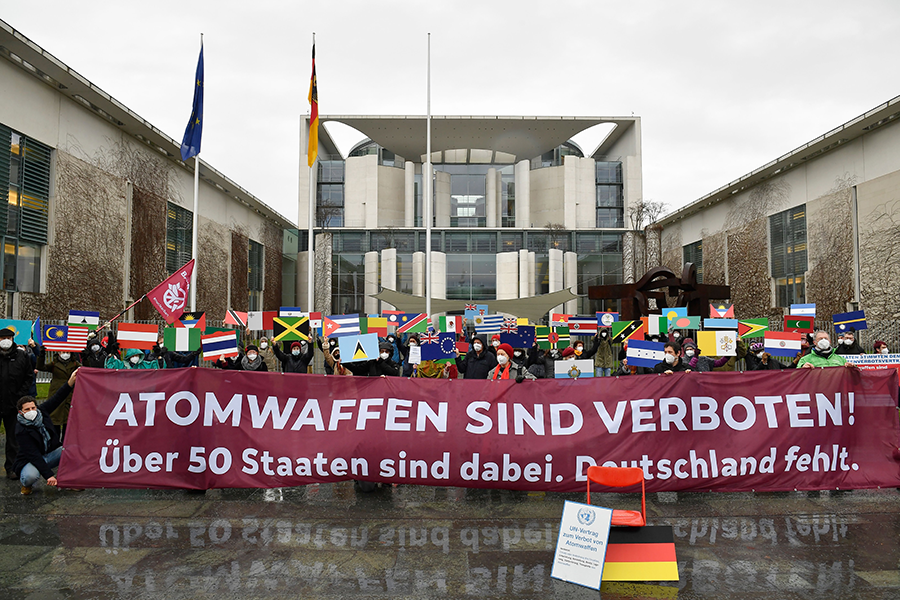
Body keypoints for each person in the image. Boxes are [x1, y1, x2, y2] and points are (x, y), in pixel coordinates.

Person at [14, 368, 79, 495]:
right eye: (27, 409)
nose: (31, 411)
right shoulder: (20, 430)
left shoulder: (42, 412)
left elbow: (57, 398)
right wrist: (49, 476)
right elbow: (33, 455)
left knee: (72, 449)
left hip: (50, 453)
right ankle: (26, 485)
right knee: (30, 476)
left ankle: (68, 481)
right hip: (31, 460)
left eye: (33, 407)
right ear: (20, 412)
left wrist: (70, 382)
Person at [0, 328, 33, 480]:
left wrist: (20, 396)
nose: (5, 341)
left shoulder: (21, 356)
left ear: (13, 339)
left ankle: (12, 468)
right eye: (2, 338)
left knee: (13, 438)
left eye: (8, 337)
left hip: (14, 403)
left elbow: (28, 376)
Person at [31, 338, 80, 440]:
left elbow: (85, 369)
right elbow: (41, 367)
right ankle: (54, 445)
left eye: (67, 352)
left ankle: (66, 445)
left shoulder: (74, 364)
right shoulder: (54, 364)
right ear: (59, 353)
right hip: (56, 393)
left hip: (70, 394)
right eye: (63, 352)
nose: (65, 354)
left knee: (68, 422)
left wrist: (85, 357)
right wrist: (42, 354)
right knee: (54, 422)